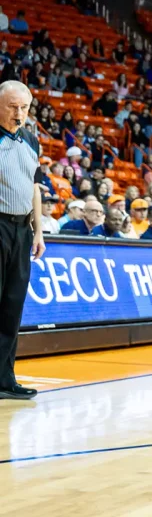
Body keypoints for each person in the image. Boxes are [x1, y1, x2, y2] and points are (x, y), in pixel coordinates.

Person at [0, 81, 45, 399]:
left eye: (24, 108)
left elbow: (34, 187)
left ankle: (5, 380)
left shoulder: (30, 139)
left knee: (12, 307)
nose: (19, 114)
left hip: (21, 230)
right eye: (12, 107)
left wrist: (39, 231)